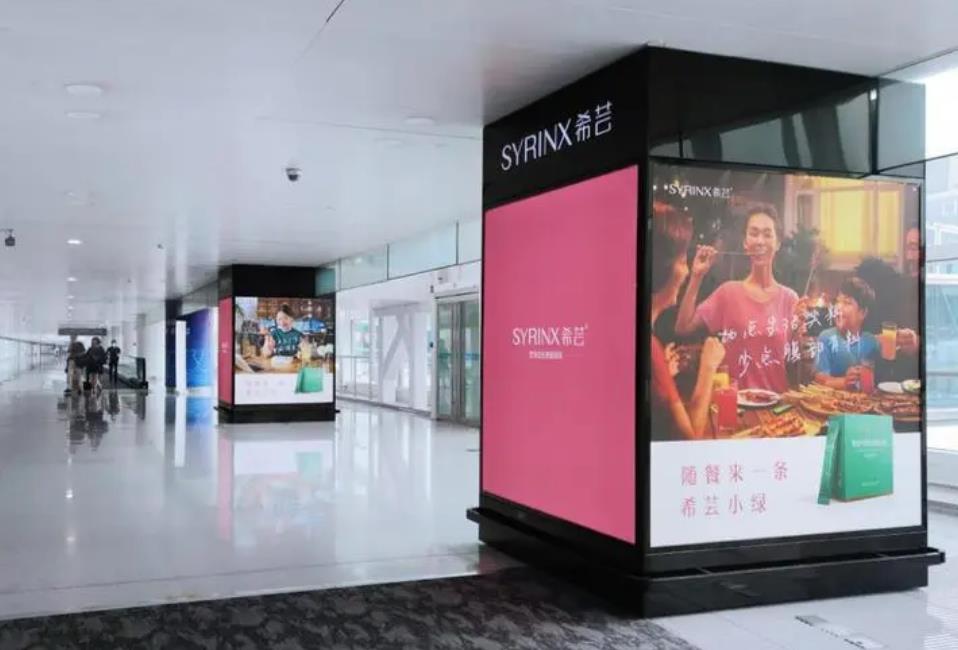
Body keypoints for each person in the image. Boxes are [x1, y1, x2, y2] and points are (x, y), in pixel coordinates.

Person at [676, 205, 800, 393]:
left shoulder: (790, 299)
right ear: (745, 243)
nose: (760, 241)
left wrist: (800, 333)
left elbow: (794, 361)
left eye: (767, 234)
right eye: (754, 234)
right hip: (734, 403)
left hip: (777, 404)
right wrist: (696, 276)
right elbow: (683, 328)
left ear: (778, 243)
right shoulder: (728, 293)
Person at [651, 203, 726, 440]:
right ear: (661, 267)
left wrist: (662, 377)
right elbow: (690, 438)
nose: (686, 270)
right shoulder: (650, 348)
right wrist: (708, 367)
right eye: (683, 260)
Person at [814, 277, 880, 390]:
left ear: (863, 313)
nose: (839, 307)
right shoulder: (826, 337)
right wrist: (844, 381)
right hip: (834, 399)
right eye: (838, 301)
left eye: (847, 302)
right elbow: (820, 378)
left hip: (866, 398)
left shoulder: (871, 341)